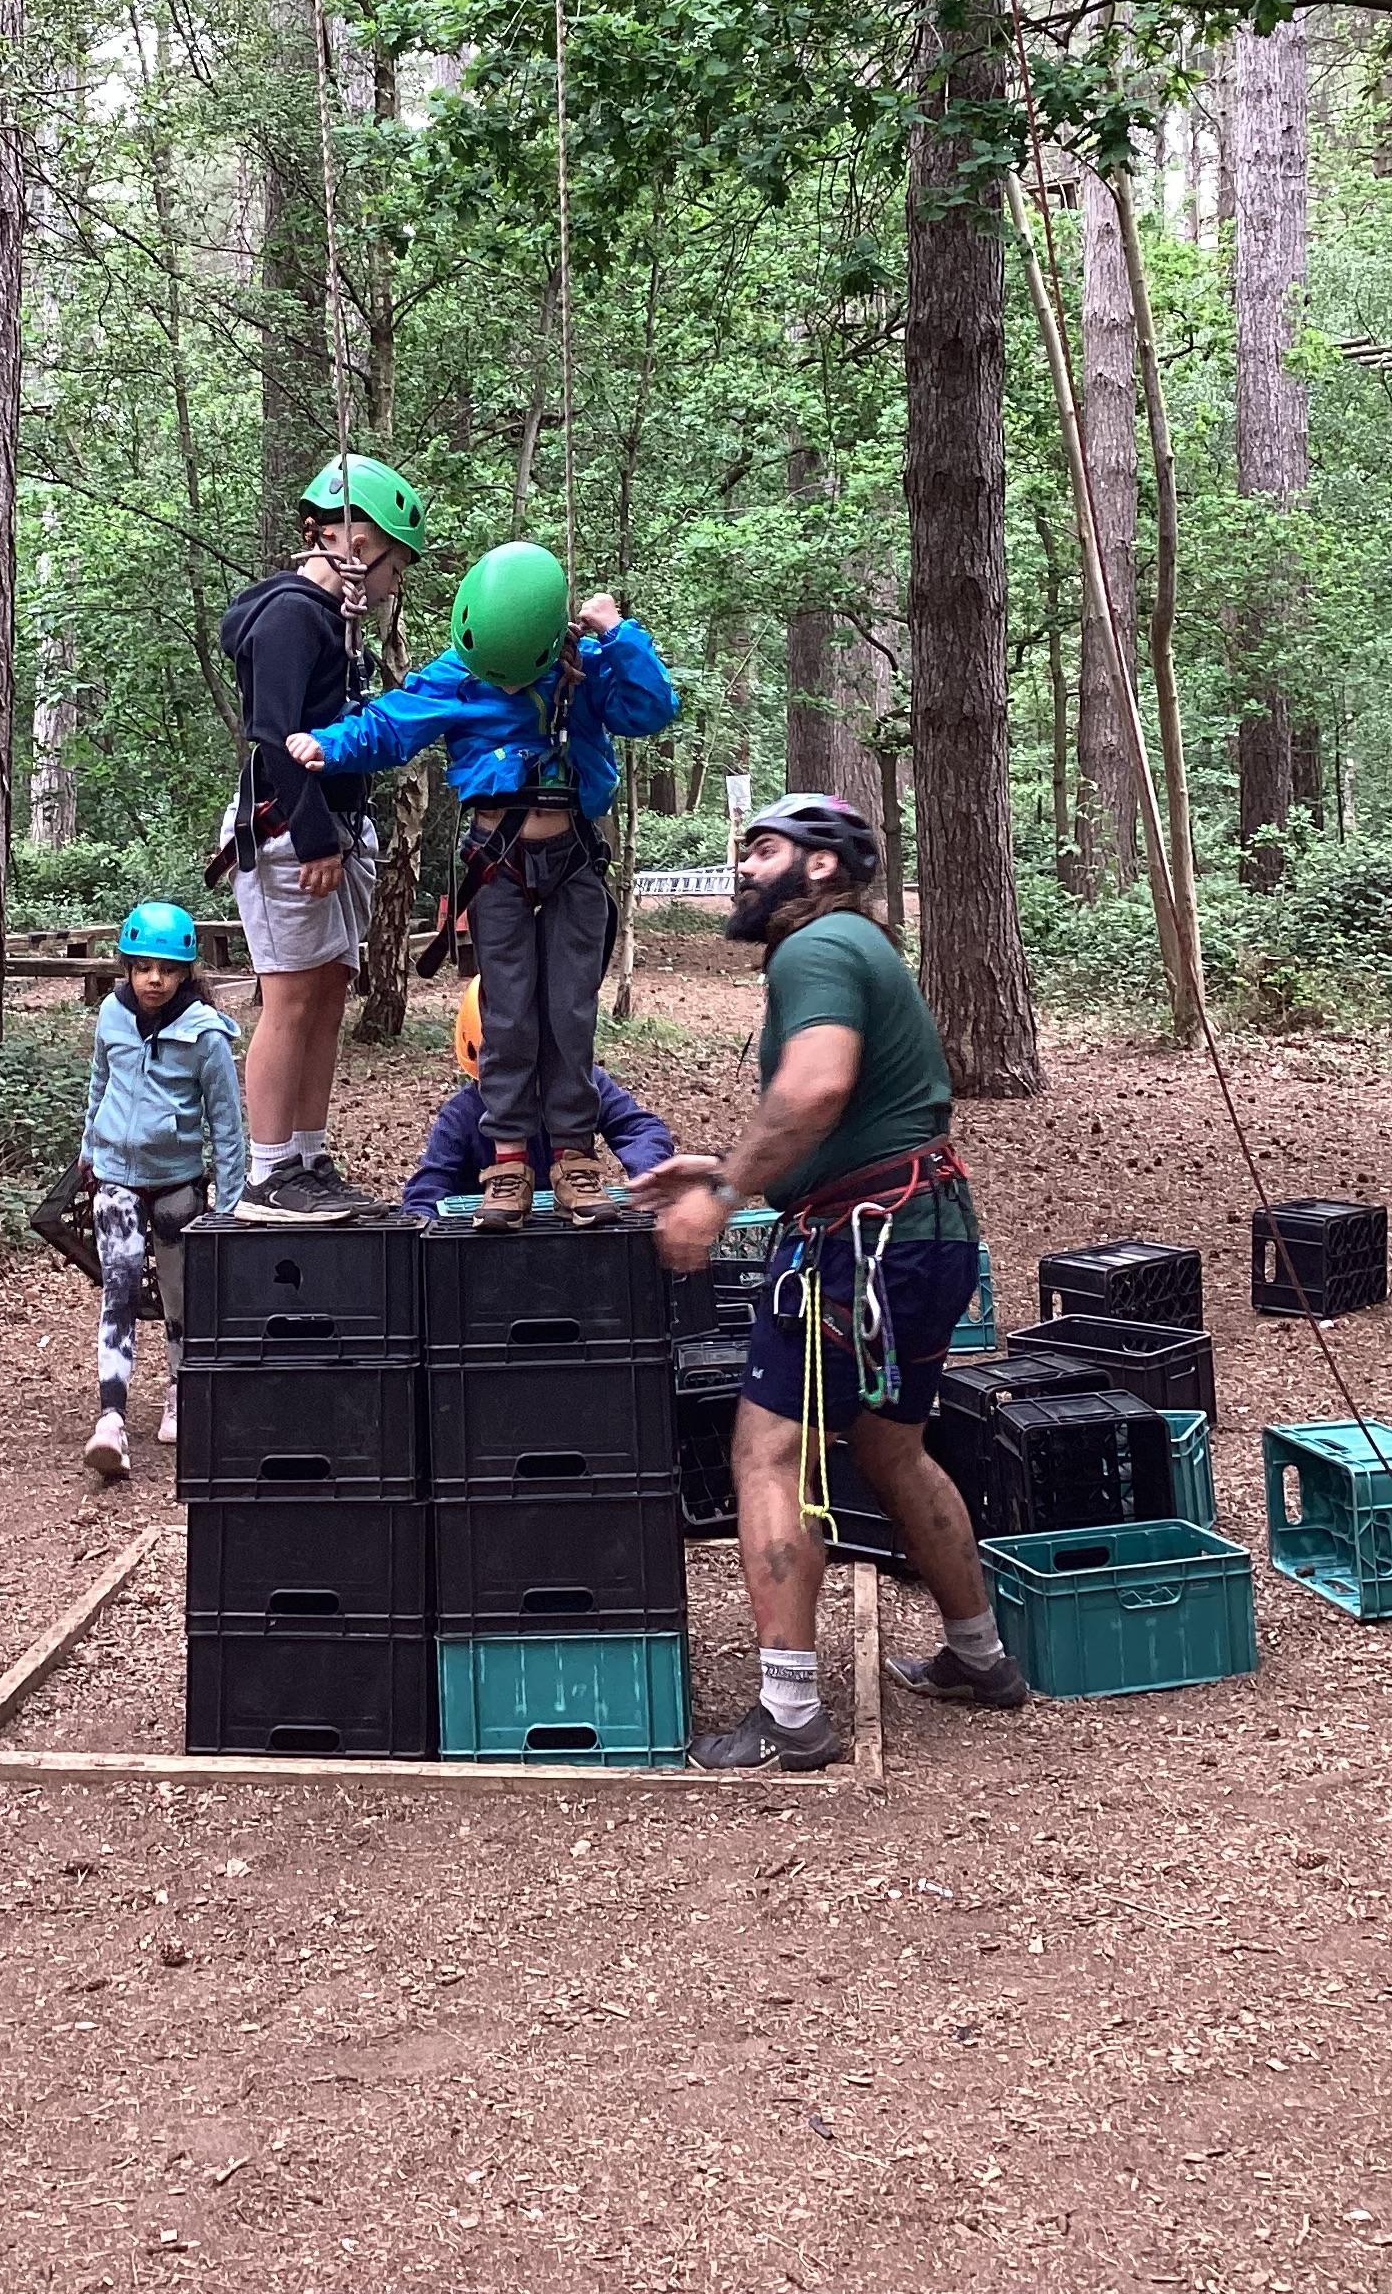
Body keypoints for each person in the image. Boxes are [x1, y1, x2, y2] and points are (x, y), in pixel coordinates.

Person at [630, 793, 1028, 1767]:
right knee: (894, 1449)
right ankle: (982, 1657)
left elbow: (814, 1090)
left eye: (764, 850)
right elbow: (848, 1115)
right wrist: (731, 1168)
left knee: (769, 1456)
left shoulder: (817, 948)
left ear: (820, 866)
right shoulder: (856, 948)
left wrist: (722, 1195)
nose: (744, 867)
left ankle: (791, 1714)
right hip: (924, 1230)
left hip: (859, 1248)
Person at [290, 540, 678, 1228]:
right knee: (508, 1017)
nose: (504, 688)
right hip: (499, 865)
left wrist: (618, 632)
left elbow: (650, 709)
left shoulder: (583, 668)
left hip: (574, 862)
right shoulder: (458, 675)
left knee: (570, 1014)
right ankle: (508, 1162)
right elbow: (392, 724)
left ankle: (573, 1157)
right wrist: (330, 744)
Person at [217, 453, 428, 1225]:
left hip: (334, 828)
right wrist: (313, 840)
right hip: (290, 829)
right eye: (395, 567)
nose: (393, 585)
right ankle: (269, 1173)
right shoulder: (289, 616)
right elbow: (273, 736)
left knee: (328, 997)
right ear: (358, 545)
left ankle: (307, 1157)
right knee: (291, 999)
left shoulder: (334, 625)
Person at [73, 902, 247, 1480]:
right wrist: (89, 1148)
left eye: (168, 970)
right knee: (118, 1290)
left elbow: (227, 1126)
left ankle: (179, 1392)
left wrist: (229, 1206)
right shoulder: (111, 1014)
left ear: (186, 972)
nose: (154, 979)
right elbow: (100, 1082)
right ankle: (111, 1420)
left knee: (179, 1295)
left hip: (178, 1184)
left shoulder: (205, 1036)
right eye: (144, 967)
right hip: (115, 1178)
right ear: (127, 967)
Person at [398, 978, 679, 1223]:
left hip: (569, 1228)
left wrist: (649, 1171)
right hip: (491, 1239)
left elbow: (638, 1127)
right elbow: (431, 1183)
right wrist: (421, 1226)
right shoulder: (463, 1113)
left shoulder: (582, 1086)